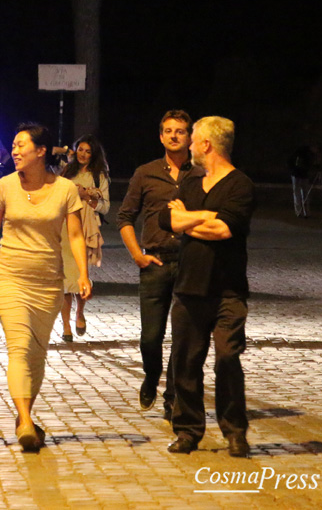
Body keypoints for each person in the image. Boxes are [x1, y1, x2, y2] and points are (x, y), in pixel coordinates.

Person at [0, 123, 92, 451]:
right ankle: (26, 421)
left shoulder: (65, 190)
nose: (14, 151)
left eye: (21, 145)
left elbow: (74, 235)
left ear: (41, 151)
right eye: (14, 146)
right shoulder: (4, 186)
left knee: (37, 355)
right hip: (12, 279)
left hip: (49, 284)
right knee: (18, 348)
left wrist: (84, 275)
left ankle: (24, 418)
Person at [158, 116, 255, 457]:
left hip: (228, 290)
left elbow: (224, 230)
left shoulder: (241, 185)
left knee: (227, 357)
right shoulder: (190, 182)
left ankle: (235, 431)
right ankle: (187, 431)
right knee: (185, 362)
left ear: (206, 145)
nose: (188, 144)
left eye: (193, 138)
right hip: (188, 288)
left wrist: (190, 219)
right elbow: (168, 220)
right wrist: (205, 216)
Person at [117, 110, 204, 418]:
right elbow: (125, 217)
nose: (174, 136)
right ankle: (152, 375)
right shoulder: (146, 172)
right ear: (160, 136)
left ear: (190, 136)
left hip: (189, 264)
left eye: (180, 131)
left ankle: (172, 395)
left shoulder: (202, 173)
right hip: (154, 263)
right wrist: (136, 254)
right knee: (150, 338)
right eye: (168, 130)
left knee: (183, 336)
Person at [59, 134, 109, 341]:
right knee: (64, 280)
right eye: (80, 149)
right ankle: (66, 327)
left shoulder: (99, 176)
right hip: (64, 229)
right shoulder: (66, 172)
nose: (83, 154)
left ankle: (80, 312)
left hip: (86, 229)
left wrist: (88, 196)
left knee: (81, 276)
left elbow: (106, 207)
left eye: (88, 151)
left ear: (94, 154)